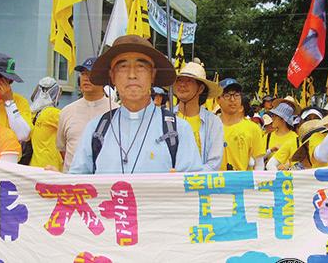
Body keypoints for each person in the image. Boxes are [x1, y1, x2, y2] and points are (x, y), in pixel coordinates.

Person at [69, 35, 202, 174]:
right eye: (123, 67)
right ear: (112, 76)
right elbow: (76, 183)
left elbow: (194, 188)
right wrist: (51, 180)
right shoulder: (96, 130)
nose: (132, 75)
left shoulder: (177, 130)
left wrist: (178, 186)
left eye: (141, 66)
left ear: (153, 74)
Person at [57, 57, 119, 172]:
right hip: (73, 182)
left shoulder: (116, 111)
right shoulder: (66, 111)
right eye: (83, 74)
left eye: (91, 73)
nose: (86, 78)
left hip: (103, 181)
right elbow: (63, 150)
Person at [173, 61, 224, 171]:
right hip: (168, 185)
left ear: (200, 88)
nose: (182, 84)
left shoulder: (213, 122)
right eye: (179, 80)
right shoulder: (165, 118)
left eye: (189, 81)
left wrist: (184, 177)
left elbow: (214, 164)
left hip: (199, 184)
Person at [217, 78, 265, 171]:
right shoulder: (210, 126)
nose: (232, 99)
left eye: (236, 95)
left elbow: (259, 164)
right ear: (218, 99)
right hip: (215, 183)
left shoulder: (253, 128)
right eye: (227, 95)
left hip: (241, 183)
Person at [0, 53, 32, 142]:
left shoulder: (20, 101)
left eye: (4, 77)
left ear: (10, 81)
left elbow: (23, 135)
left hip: (8, 153)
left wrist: (9, 102)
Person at [26, 77, 63, 171]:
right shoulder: (52, 113)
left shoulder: (30, 113)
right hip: (51, 167)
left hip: (33, 166)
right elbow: (72, 127)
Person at [263, 97, 300, 163]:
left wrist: (286, 166)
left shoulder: (295, 138)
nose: (272, 118)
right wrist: (270, 150)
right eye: (272, 115)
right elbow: (258, 158)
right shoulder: (267, 137)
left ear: (283, 119)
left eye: (275, 116)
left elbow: (296, 162)